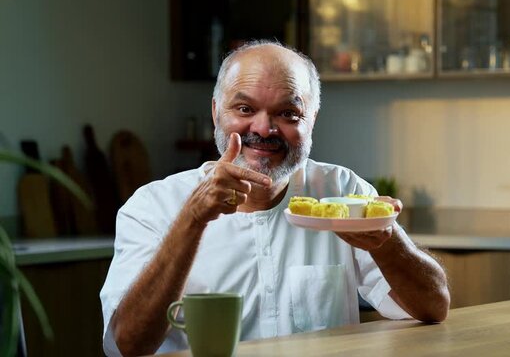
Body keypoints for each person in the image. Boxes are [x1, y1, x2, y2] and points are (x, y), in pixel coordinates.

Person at [100, 40, 449, 356]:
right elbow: (127, 345)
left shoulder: (344, 192)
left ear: (311, 120)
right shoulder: (152, 207)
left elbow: (434, 307)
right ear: (215, 113)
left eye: (287, 113)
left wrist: (387, 241)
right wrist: (192, 219)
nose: (264, 129)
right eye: (245, 109)